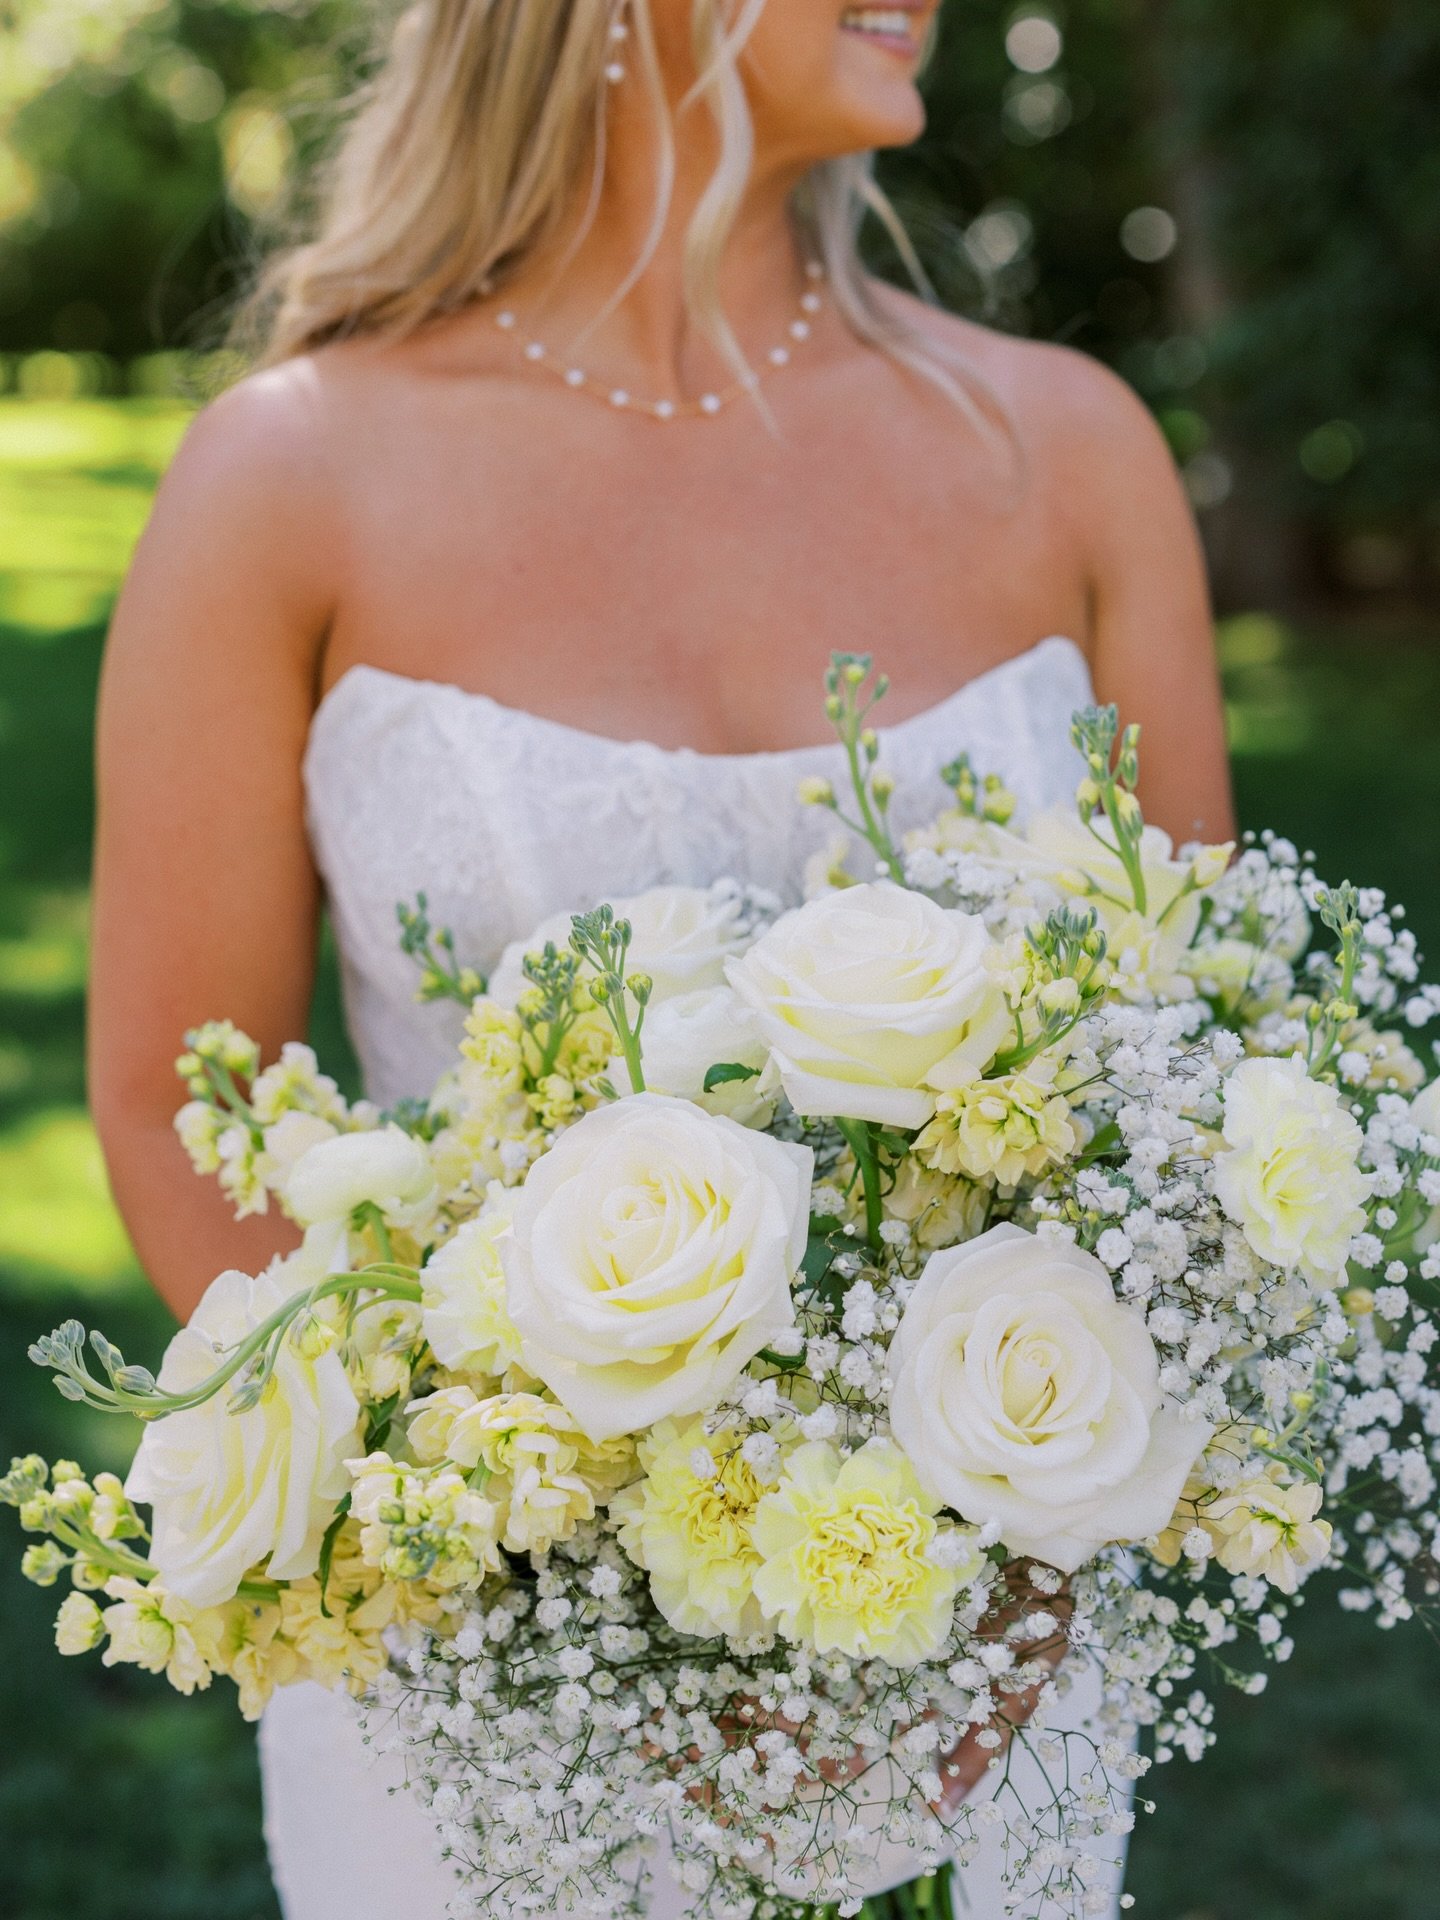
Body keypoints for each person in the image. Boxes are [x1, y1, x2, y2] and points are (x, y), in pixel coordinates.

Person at [88, 2, 1234, 1914]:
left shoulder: (1069, 451)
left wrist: (1025, 1573)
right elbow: (163, 1099)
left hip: (1000, 1681)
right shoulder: (288, 477)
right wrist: (502, 1552)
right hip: (482, 1696)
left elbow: (1200, 1093)